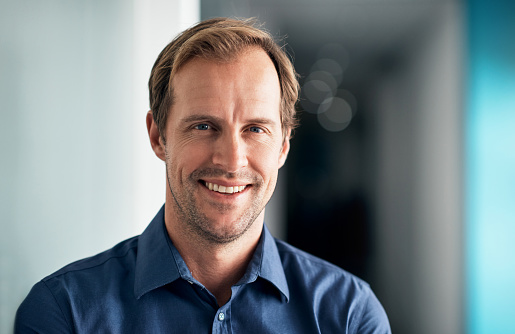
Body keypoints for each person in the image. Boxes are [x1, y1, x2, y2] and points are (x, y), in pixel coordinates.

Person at [15, 17, 391, 333]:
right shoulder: (63, 312)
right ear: (158, 136)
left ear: (283, 147)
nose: (231, 160)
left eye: (255, 129)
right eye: (203, 126)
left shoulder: (349, 316)